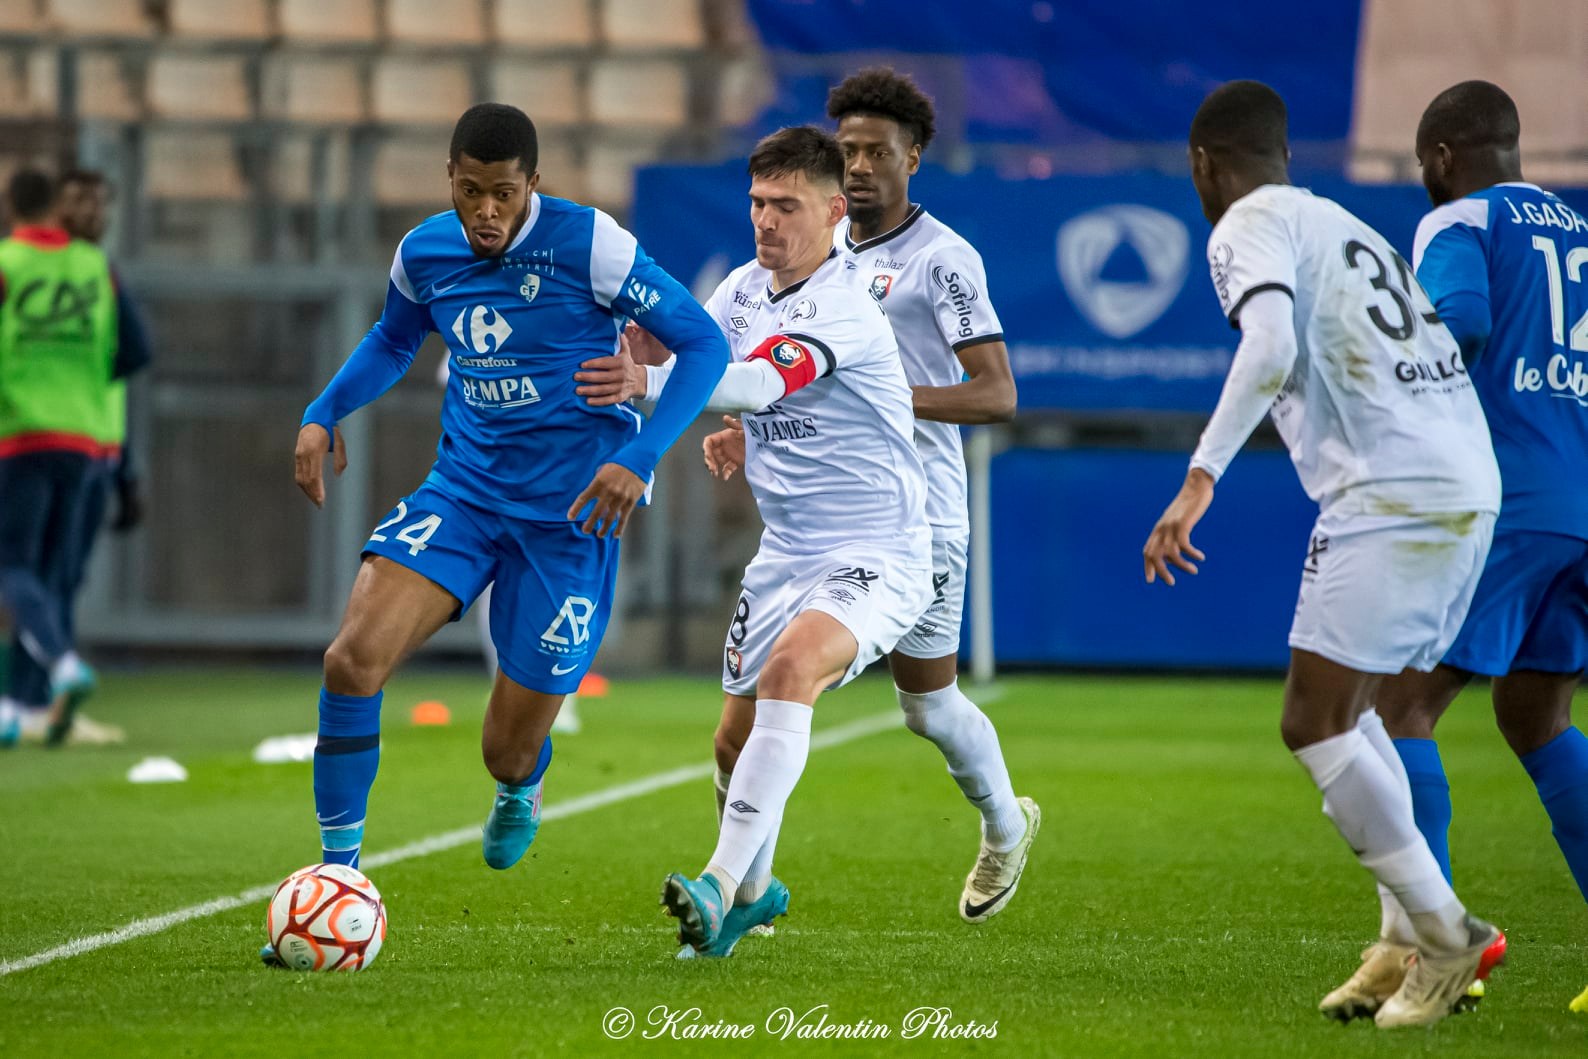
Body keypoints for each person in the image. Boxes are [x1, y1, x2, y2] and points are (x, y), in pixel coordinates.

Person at [282, 103, 727, 937]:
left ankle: (522, 785)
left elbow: (703, 344)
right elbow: (392, 337)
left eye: (504, 194)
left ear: (532, 183)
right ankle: (335, 876)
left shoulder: (590, 243)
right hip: (465, 492)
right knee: (351, 660)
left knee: (506, 748)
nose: (486, 212)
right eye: (472, 192)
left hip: (570, 516)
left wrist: (639, 457)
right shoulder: (425, 250)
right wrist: (323, 409)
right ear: (450, 177)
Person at [1141, 81, 1504, 1029]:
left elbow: (1266, 344)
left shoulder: (1243, 225)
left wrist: (1200, 478)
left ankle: (1445, 929)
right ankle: (1400, 937)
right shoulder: (1341, 220)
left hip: (1392, 492)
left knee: (1313, 720)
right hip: (1464, 478)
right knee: (1368, 707)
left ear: (1204, 167)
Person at [614, 126, 934, 956]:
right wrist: (657, 355)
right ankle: (754, 892)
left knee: (794, 672)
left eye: (785, 205)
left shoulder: (847, 307)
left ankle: (717, 885)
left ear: (833, 211)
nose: (765, 220)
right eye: (757, 202)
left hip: (879, 547)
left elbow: (753, 380)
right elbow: (703, 353)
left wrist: (647, 381)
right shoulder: (746, 287)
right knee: (729, 739)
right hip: (787, 551)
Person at [1361, 81, 1588, 1017]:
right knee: (1535, 717)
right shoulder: (1577, 233)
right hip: (1579, 503)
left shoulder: (1459, 219)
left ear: (1445, 155)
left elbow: (1462, 321)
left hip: (1506, 501)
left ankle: (1434, 948)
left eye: (1422, 166)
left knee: (1393, 705)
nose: (1423, 181)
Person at [824, 67, 1037, 923]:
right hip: (833, 513)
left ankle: (1004, 825)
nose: (860, 167)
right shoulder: (822, 247)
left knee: (927, 706)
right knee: (781, 683)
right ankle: (738, 883)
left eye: (879, 151)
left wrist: (886, 395)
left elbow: (996, 393)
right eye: (847, 151)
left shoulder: (942, 259)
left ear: (915, 156)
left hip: (923, 515)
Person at [2, 168, 152, 746]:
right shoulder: (94, 272)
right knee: (50, 577)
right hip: (87, 442)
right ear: (55, 207)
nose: (92, 211)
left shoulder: (19, 263)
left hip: (32, 436)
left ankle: (45, 686)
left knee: (34, 572)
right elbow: (137, 351)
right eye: (80, 200)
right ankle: (21, 703)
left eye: (99, 200)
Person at [435, 356, 581, 735]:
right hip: (490, 480)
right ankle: (503, 687)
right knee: (495, 591)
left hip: (559, 480)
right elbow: (448, 371)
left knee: (560, 591)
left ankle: (557, 697)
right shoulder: (483, 305)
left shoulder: (573, 314)